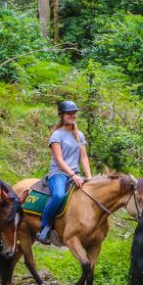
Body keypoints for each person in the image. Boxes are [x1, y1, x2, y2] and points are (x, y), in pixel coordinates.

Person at [38, 100, 93, 243]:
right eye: (69, 113)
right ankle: (44, 228)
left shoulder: (79, 135)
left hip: (76, 174)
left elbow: (84, 158)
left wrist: (90, 178)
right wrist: (73, 175)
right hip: (59, 174)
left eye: (74, 112)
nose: (72, 115)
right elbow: (59, 160)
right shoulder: (57, 135)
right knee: (58, 196)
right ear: (61, 115)